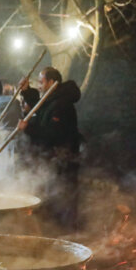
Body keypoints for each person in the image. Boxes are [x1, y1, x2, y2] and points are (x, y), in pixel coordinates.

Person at [18, 67, 82, 234]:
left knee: (64, 196)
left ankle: (66, 233)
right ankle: (55, 229)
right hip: (54, 158)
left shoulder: (61, 104)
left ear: (52, 82)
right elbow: (41, 108)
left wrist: (28, 128)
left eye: (41, 82)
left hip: (63, 159)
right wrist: (26, 92)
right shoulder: (53, 99)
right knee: (54, 196)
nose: (39, 86)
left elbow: (53, 133)